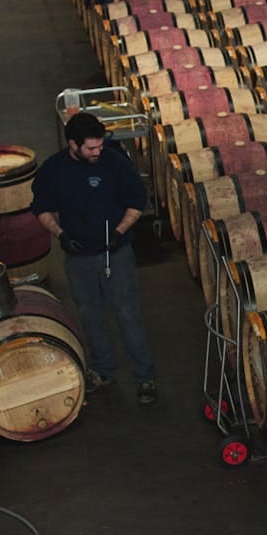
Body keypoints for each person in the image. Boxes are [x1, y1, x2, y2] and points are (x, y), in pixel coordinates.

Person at [31, 112, 158, 404]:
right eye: (91, 148)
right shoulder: (54, 169)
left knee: (128, 314)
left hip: (116, 254)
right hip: (79, 258)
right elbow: (41, 207)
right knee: (90, 315)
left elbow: (137, 201)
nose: (97, 152)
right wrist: (60, 234)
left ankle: (145, 377)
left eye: (99, 146)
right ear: (72, 144)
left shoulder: (114, 163)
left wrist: (119, 231)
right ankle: (103, 370)